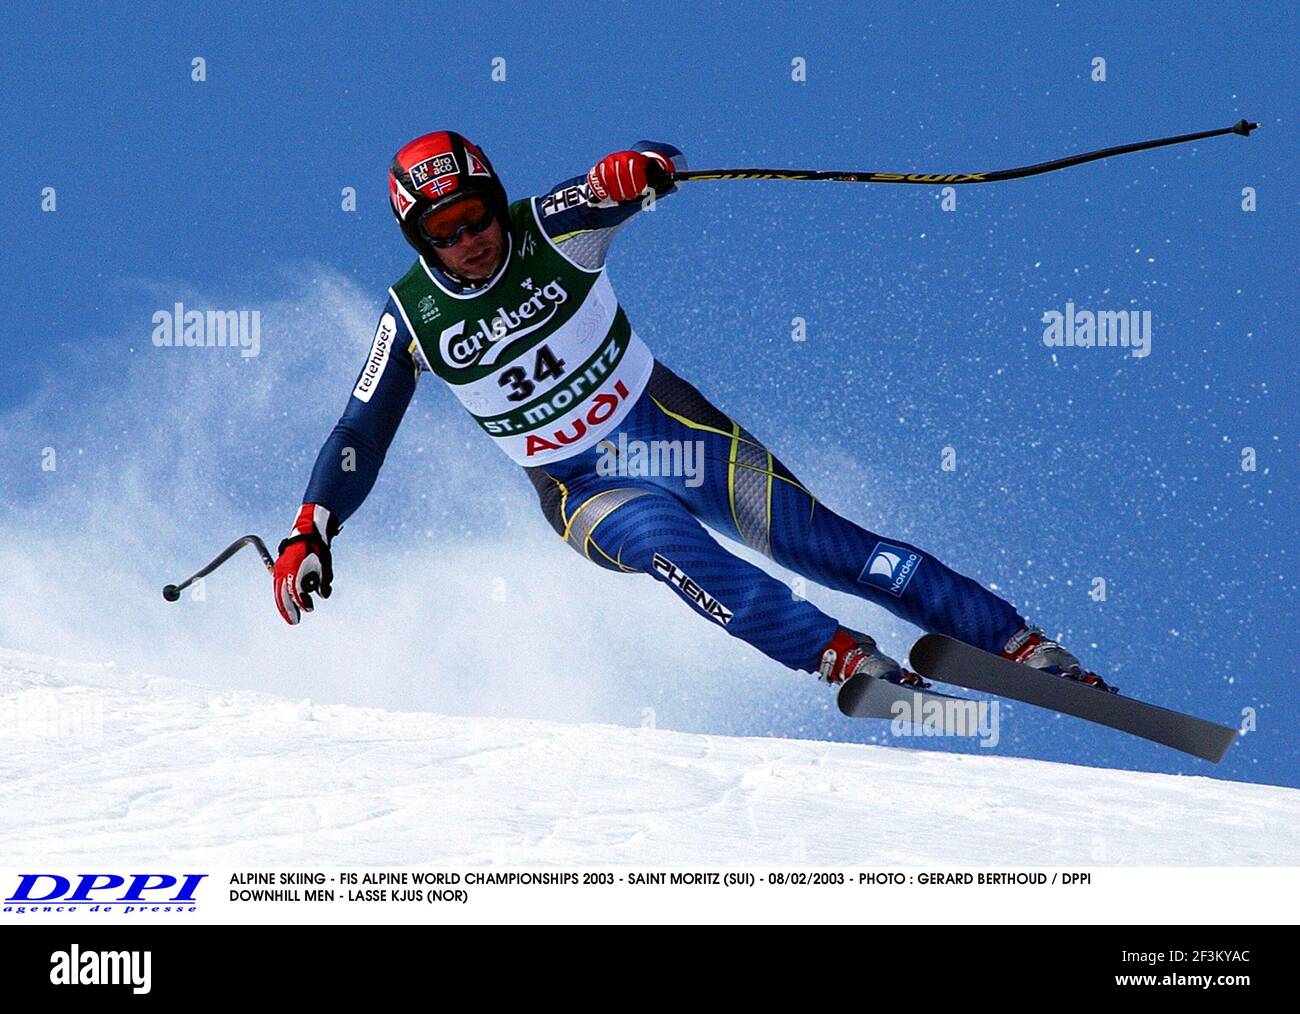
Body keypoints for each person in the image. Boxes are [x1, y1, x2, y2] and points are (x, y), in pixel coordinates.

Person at [273, 130, 1113, 692]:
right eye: (444, 234)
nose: (470, 242)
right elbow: (359, 432)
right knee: (666, 546)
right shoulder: (412, 317)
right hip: (581, 489)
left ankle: (1020, 645)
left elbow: (638, 171)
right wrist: (313, 524)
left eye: (476, 217)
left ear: (497, 202)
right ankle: (842, 659)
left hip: (671, 428)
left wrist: (636, 167)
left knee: (822, 544)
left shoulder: (555, 227)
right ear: (422, 243)